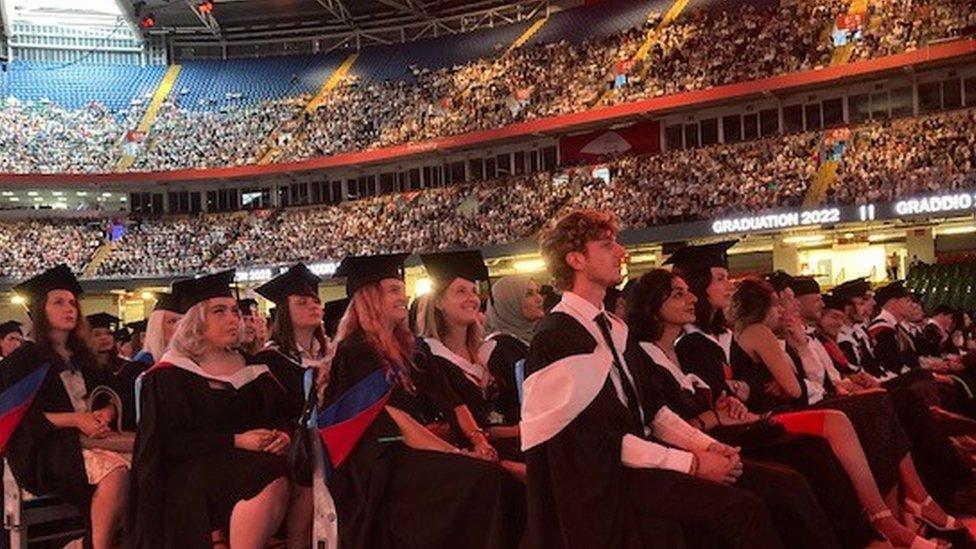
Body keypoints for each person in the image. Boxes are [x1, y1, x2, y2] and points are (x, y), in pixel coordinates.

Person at [525, 209, 782, 549]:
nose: (621, 252)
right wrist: (692, 464)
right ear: (576, 260)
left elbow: (653, 411)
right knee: (741, 510)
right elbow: (597, 441)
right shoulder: (557, 337)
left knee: (776, 484)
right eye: (606, 245)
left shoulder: (614, 329)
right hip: (599, 482)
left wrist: (707, 446)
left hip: (633, 463)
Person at [627, 268, 875, 548]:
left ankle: (869, 531)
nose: (692, 299)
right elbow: (661, 422)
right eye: (678, 295)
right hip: (701, 447)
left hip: (724, 432)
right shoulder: (648, 357)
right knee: (786, 481)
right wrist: (714, 417)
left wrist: (726, 402)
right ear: (652, 307)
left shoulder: (677, 351)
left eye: (689, 291)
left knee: (814, 449)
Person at [729, 277, 957, 548]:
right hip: (774, 417)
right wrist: (793, 371)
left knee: (880, 405)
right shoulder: (758, 331)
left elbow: (795, 385)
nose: (783, 310)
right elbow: (796, 390)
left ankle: (903, 510)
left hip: (791, 406)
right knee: (873, 408)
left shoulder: (763, 335)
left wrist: (795, 363)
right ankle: (891, 517)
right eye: (778, 303)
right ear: (762, 306)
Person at [324, 253, 525, 548]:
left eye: (402, 290)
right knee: (482, 480)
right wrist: (454, 453)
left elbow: (451, 400)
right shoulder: (355, 352)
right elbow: (395, 421)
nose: (402, 297)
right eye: (393, 290)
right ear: (369, 297)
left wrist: (477, 439)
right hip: (382, 462)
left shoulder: (413, 348)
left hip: (421, 447)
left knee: (501, 475)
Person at [127, 270, 298, 549]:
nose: (233, 318)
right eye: (219, 311)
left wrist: (282, 435)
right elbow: (168, 443)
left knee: (290, 469)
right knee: (266, 473)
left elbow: (280, 414)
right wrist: (237, 441)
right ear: (196, 321)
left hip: (246, 465)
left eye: (234, 310)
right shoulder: (170, 374)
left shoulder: (253, 367)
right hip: (188, 477)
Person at [1, 264, 129, 549]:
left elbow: (112, 394)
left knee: (147, 464)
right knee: (115, 472)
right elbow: (17, 419)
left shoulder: (85, 356)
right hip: (44, 450)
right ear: (40, 309)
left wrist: (105, 412)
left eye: (72, 302)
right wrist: (76, 419)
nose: (69, 308)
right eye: (58, 302)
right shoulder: (23, 360)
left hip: (90, 441)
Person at [420, 250, 521, 463]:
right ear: (438, 302)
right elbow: (452, 425)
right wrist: (515, 431)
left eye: (474, 291)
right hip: (473, 459)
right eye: (460, 292)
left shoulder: (494, 351)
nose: (472, 299)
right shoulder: (430, 358)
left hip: (516, 443)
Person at [254, 263, 331, 417]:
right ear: (285, 312)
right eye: (302, 302)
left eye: (316, 301)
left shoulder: (330, 354)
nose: (313, 306)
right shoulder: (269, 361)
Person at [480, 274, 545, 425]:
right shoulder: (497, 347)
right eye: (529, 294)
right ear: (508, 303)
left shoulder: (532, 339)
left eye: (538, 292)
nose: (539, 299)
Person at [87, 312, 143, 432]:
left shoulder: (126, 366)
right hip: (94, 426)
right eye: (96, 335)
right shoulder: (83, 369)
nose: (104, 338)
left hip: (122, 427)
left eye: (108, 333)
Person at [132, 292, 183, 368]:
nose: (179, 326)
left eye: (183, 321)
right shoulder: (142, 363)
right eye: (172, 321)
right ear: (157, 327)